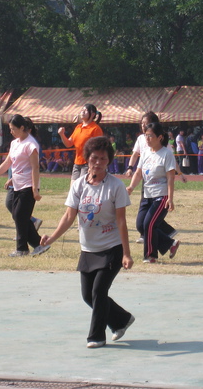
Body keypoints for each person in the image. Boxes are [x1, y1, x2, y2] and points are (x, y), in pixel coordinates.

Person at [40, 136, 134, 349]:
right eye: (94, 158)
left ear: (109, 161)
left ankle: (96, 337)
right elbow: (68, 216)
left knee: (98, 292)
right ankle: (121, 320)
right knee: (87, 296)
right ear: (87, 159)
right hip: (88, 249)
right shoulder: (79, 185)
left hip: (112, 248)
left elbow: (121, 221)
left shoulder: (116, 187)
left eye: (103, 159)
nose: (98, 163)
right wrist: (51, 238)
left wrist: (126, 254)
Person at [0, 115, 49, 257]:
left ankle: (21, 249)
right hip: (17, 184)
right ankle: (39, 244)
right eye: (10, 129)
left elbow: (35, 168)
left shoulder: (31, 145)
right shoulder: (15, 143)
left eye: (13, 129)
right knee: (19, 215)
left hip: (28, 185)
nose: (11, 132)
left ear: (22, 128)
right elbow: (8, 162)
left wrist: (34, 190)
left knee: (20, 215)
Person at [127, 122, 180, 263]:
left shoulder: (167, 154)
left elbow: (170, 177)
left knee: (149, 224)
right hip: (147, 195)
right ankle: (170, 244)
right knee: (140, 225)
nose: (147, 139)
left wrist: (170, 198)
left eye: (150, 136)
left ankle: (150, 256)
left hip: (161, 196)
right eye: (146, 136)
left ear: (160, 137)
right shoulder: (144, 153)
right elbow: (138, 173)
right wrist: (131, 187)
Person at [58, 103, 103, 183]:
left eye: (85, 110)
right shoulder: (78, 127)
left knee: (83, 187)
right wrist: (62, 134)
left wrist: (92, 165)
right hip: (77, 163)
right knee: (73, 189)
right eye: (82, 110)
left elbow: (98, 149)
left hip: (88, 163)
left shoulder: (95, 128)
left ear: (92, 114)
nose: (82, 112)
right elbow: (69, 144)